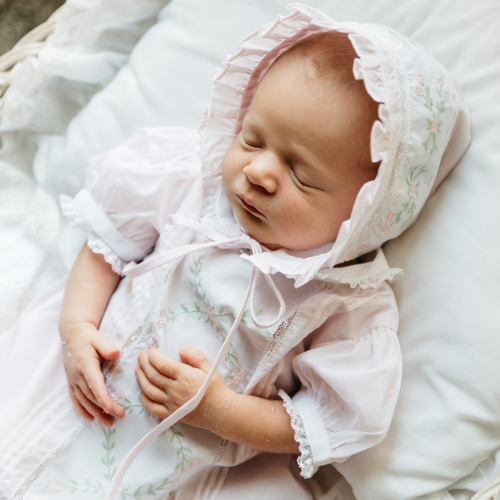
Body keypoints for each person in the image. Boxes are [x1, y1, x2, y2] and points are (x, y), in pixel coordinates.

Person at [0, 4, 470, 499]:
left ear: (369, 211)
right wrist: (77, 327)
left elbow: (322, 423)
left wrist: (219, 411)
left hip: (181, 467)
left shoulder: (343, 301)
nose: (259, 172)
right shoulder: (189, 184)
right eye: (252, 138)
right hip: (69, 384)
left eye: (301, 175)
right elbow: (106, 246)